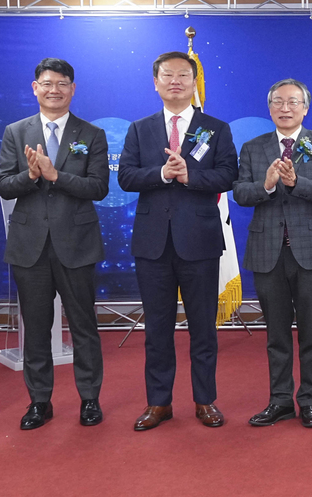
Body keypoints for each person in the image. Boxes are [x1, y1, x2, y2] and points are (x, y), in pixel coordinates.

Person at [117, 51, 237, 431]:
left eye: (184, 75)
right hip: (152, 244)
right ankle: (159, 403)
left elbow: (228, 175)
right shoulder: (140, 128)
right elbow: (126, 178)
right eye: (167, 75)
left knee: (203, 327)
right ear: (155, 83)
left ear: (193, 82)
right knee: (157, 329)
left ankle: (205, 400)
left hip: (199, 240)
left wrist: (190, 177)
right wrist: (163, 174)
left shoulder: (215, 128)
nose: (175, 81)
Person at [0, 58, 109, 429]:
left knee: (83, 326)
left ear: (72, 89)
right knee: (37, 326)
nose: (54, 89)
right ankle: (39, 401)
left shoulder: (91, 134)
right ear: (35, 88)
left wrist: (55, 175)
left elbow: (98, 188)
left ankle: (89, 399)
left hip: (76, 242)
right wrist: (30, 175)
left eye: (62, 83)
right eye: (47, 83)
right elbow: (3, 184)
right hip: (30, 244)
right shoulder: (16, 131)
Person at [234, 79, 312, 428]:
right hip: (268, 251)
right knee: (276, 334)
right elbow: (239, 193)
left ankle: (310, 401)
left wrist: (296, 182)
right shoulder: (252, 148)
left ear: (305, 108)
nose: (285, 108)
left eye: (293, 102)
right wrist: (266, 185)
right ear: (269, 108)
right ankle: (279, 400)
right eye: (278, 102)